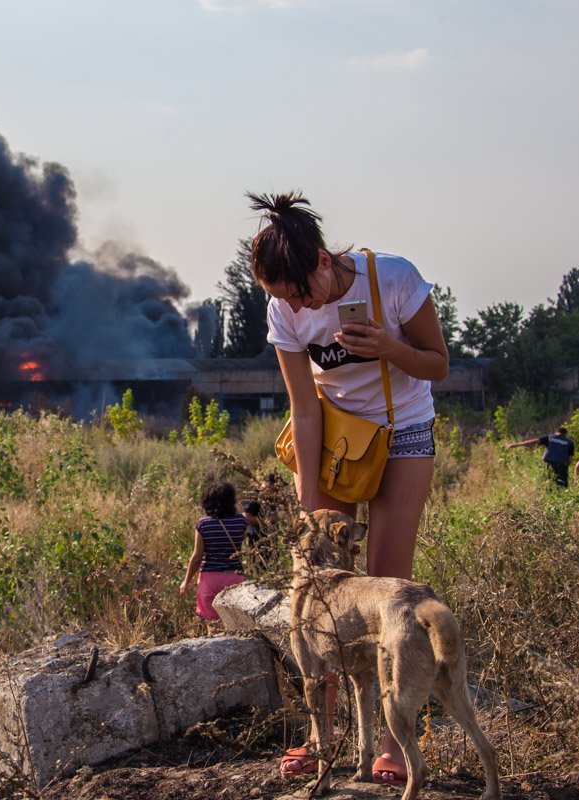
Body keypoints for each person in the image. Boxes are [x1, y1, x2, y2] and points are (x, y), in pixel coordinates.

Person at [247, 191, 449, 786]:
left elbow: (438, 364)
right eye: (281, 298)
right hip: (336, 441)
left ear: (324, 261)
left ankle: (393, 740)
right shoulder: (285, 310)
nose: (295, 305)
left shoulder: (394, 279)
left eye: (299, 292)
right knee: (321, 596)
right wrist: (311, 508)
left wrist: (391, 347)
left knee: (388, 588)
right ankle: (321, 738)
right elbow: (304, 411)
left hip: (404, 430)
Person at [179, 482, 250, 622]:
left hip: (210, 579)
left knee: (212, 624)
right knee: (236, 623)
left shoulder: (203, 524)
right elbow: (240, 543)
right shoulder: (241, 521)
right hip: (235, 577)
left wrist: (186, 581)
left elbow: (197, 557)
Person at [506, 426, 576, 487]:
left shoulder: (550, 437)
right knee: (562, 483)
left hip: (548, 461)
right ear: (565, 434)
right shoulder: (570, 442)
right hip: (561, 463)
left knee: (548, 480)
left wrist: (516, 445)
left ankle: (548, 492)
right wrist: (566, 465)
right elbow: (570, 459)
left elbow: (534, 441)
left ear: (556, 432)